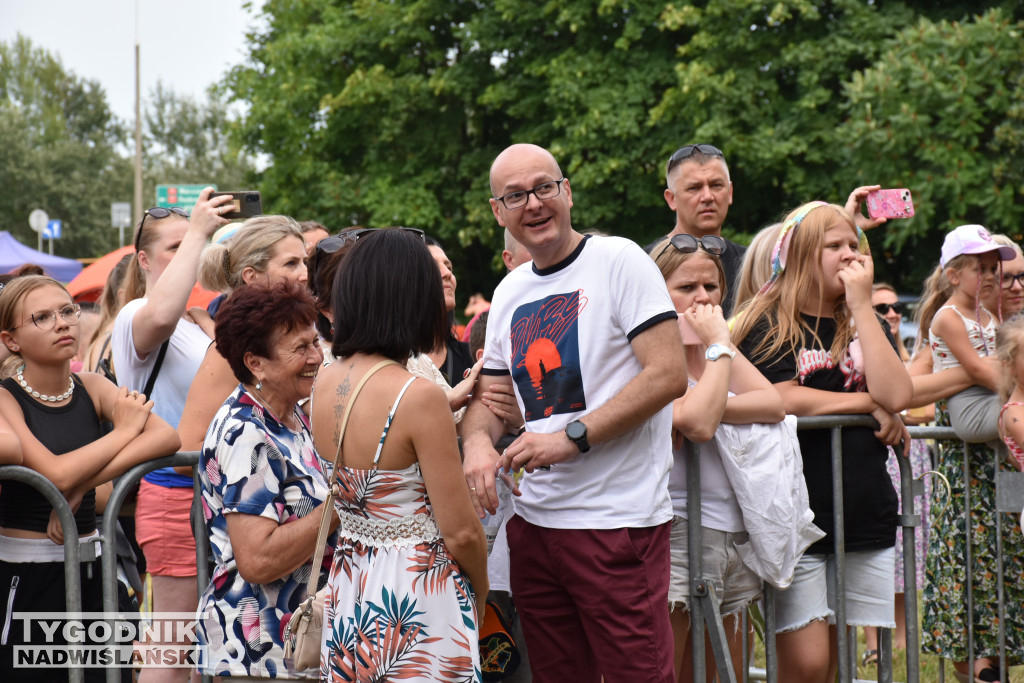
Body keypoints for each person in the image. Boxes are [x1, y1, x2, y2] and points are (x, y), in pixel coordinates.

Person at [463, 143, 688, 682]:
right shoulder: (511, 290)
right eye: (516, 195)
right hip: (535, 526)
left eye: (544, 187)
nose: (534, 204)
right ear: (499, 211)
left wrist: (570, 438)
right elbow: (487, 401)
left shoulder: (619, 260)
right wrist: (475, 444)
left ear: (567, 191)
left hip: (616, 523)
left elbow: (667, 374)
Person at [731, 201, 913, 683]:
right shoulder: (765, 321)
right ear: (800, 255)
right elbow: (782, 397)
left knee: (833, 661)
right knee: (806, 663)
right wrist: (865, 405)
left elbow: (897, 394)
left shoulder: (862, 320)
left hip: (862, 510)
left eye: (854, 245)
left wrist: (861, 305)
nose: (849, 255)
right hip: (794, 516)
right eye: (834, 246)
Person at [311, 228, 488, 681]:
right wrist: (480, 592)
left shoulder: (323, 382)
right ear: (414, 300)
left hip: (352, 582)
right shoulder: (418, 395)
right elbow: (462, 531)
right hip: (416, 594)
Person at [0, 275, 180, 682]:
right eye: (42, 317)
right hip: (28, 579)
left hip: (93, 575)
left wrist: (81, 488)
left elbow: (168, 436)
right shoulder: (5, 398)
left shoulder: (94, 386)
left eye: (67, 311)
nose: (62, 323)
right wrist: (121, 433)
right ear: (12, 340)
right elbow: (57, 472)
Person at [650, 235, 790, 682]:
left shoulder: (718, 351)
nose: (703, 299)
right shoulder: (651, 356)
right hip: (676, 532)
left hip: (731, 536)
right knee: (668, 670)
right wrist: (703, 398)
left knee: (720, 673)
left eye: (711, 287)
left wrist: (704, 400)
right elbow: (699, 425)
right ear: (657, 293)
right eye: (687, 288)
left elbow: (772, 403)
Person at [111, 190, 232, 683]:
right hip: (175, 493)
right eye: (174, 247)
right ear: (142, 260)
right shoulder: (135, 315)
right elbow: (159, 316)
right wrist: (200, 231)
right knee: (171, 649)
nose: (189, 254)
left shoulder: (194, 322)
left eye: (193, 246)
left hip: (212, 494)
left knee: (203, 646)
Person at [195, 283, 335, 679]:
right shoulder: (246, 434)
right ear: (255, 363)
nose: (316, 357)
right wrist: (338, 507)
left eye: (315, 341)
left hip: (293, 639)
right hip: (258, 648)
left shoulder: (290, 415)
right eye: (299, 349)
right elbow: (256, 559)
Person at [917, 236, 1024, 683]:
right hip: (971, 448)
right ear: (953, 274)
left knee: (1004, 562)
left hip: (1001, 469)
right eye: (982, 269)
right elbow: (983, 372)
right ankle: (976, 668)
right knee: (969, 565)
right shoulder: (949, 317)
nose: (994, 278)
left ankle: (991, 664)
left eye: (994, 270)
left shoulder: (993, 317)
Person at [176, 216, 310, 451]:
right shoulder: (227, 354)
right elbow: (189, 446)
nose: (304, 274)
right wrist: (274, 452)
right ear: (251, 277)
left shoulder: (306, 330)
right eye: (291, 264)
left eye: (304, 262)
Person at [860, 283, 933, 661]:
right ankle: (874, 645)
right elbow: (909, 406)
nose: (890, 313)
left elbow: (926, 408)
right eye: (881, 307)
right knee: (878, 547)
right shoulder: (868, 355)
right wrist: (908, 410)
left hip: (913, 463)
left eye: (894, 307)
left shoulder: (909, 352)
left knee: (909, 548)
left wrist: (909, 410)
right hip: (881, 460)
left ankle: (902, 642)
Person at [654, 144, 747, 314]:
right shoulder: (646, 264)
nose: (707, 197)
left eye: (716, 185)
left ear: (730, 192)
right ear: (671, 199)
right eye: (694, 188)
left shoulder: (750, 266)